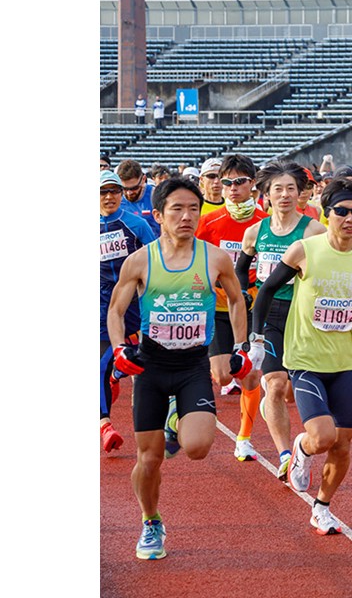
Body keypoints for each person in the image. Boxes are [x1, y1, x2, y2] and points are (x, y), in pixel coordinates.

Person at [106, 177, 252, 559]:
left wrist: (242, 347)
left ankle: (177, 423)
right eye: (177, 209)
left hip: (192, 365)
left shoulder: (215, 257)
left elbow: (237, 301)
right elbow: (116, 311)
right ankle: (151, 521)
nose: (187, 216)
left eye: (193, 208)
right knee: (148, 460)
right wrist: (121, 348)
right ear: (158, 215)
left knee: (199, 447)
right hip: (151, 367)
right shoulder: (140, 261)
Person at [250, 177, 352, 535]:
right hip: (304, 359)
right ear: (326, 213)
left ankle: (322, 506)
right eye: (341, 212)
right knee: (322, 436)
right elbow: (267, 290)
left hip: (345, 362)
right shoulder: (305, 250)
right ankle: (300, 448)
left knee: (343, 445)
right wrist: (255, 337)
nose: (350, 218)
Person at [236, 161, 325, 480]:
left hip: (304, 318)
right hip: (269, 314)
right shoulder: (254, 232)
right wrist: (244, 298)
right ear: (266, 195)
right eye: (278, 189)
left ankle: (307, 440)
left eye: (291, 188)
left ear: (300, 193)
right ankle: (286, 453)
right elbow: (239, 274)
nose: (285, 194)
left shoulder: (314, 231)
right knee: (274, 385)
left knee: (296, 387)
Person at [195, 154, 268, 459]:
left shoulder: (265, 223)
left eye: (240, 182)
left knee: (250, 376)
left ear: (253, 184)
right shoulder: (209, 222)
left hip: (253, 309)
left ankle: (244, 437)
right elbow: (193, 263)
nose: (233, 188)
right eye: (227, 183)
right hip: (219, 310)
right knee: (223, 377)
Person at [100, 170, 157, 453]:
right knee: (99, 365)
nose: (109, 197)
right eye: (103, 192)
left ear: (121, 194)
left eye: (114, 191)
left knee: (131, 360)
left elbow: (156, 256)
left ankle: (116, 372)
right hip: (98, 304)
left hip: (132, 303)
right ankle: (105, 425)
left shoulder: (136, 223)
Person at [117, 159, 160, 235]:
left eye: (134, 188)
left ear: (143, 179)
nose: (129, 193)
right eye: (124, 188)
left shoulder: (155, 195)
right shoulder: (116, 199)